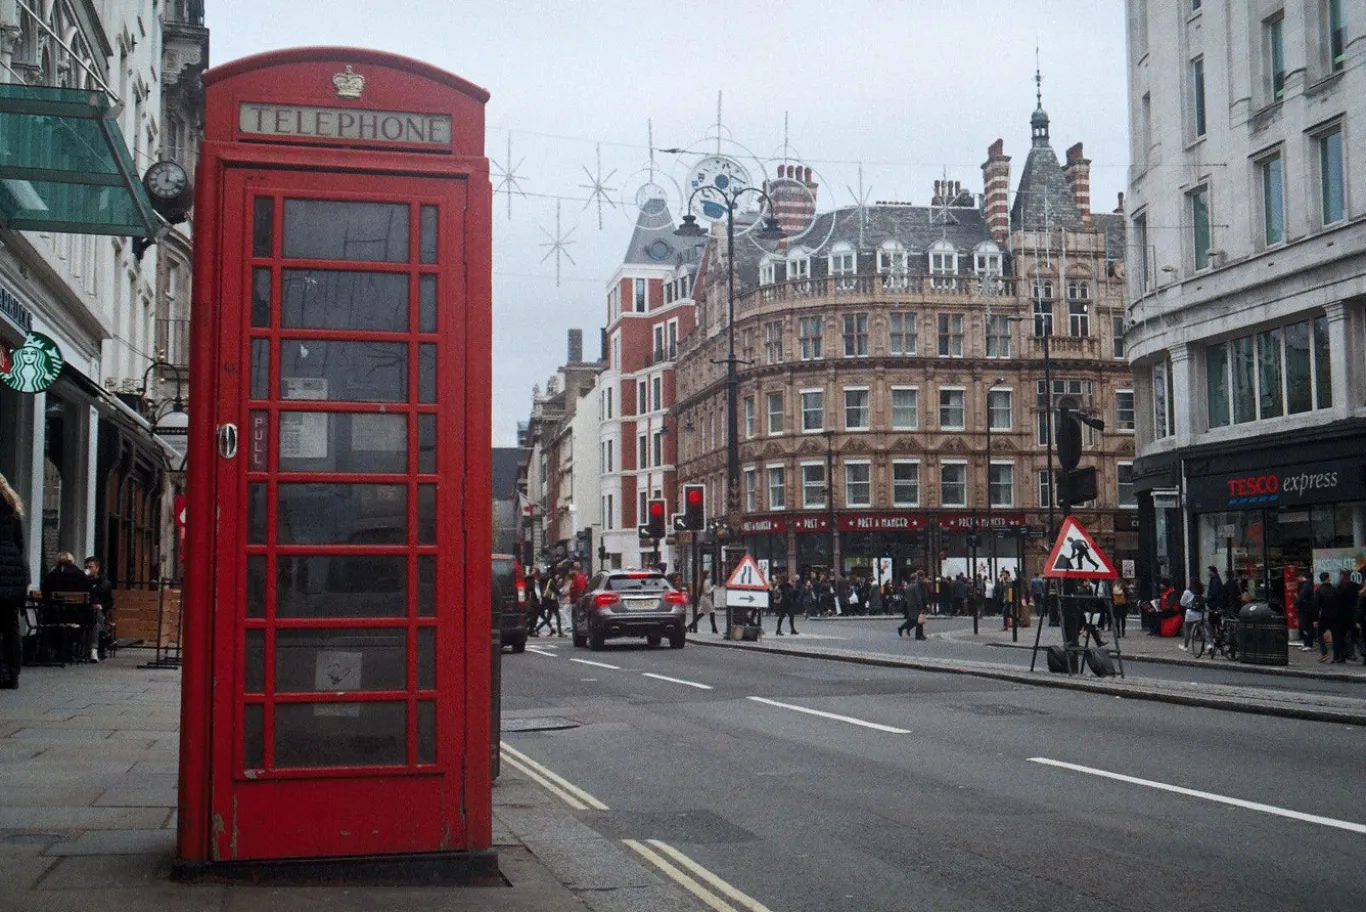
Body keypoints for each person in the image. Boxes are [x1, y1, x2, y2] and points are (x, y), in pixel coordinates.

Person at [41, 551, 97, 663]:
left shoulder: (51, 575)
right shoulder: (81, 576)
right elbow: (91, 596)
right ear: (72, 561)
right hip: (77, 616)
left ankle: (55, 649)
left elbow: (45, 594)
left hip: (54, 615)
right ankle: (75, 650)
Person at [0, 474, 29, 689]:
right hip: (13, 574)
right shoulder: (13, 511)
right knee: (11, 627)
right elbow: (21, 546)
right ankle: (12, 675)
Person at [84, 556, 114, 659]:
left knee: (96, 620)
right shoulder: (83, 582)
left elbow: (110, 602)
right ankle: (108, 637)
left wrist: (101, 606)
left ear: (97, 568)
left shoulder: (105, 583)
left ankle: (94, 650)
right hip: (86, 612)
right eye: (86, 567)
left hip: (100, 613)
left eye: (90, 567)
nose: (87, 570)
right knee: (95, 615)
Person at [1331, 568, 1359, 664]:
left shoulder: (1340, 587)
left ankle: (1341, 656)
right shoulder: (1356, 586)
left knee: (1340, 636)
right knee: (1353, 635)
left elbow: (1335, 601)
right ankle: (1352, 654)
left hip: (1341, 615)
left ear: (1342, 575)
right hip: (1353, 614)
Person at [1178, 578, 1205, 652]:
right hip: (1199, 613)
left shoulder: (1187, 592)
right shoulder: (1200, 591)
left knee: (1188, 630)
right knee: (1201, 629)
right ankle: (1204, 646)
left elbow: (1182, 603)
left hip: (1190, 613)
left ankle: (1185, 647)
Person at [1294, 570, 1315, 650]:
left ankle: (1308, 644)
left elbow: (1302, 596)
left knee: (1306, 626)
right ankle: (1306, 643)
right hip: (1307, 608)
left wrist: (1296, 602)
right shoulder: (1307, 584)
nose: (1297, 581)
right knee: (1305, 625)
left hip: (1306, 609)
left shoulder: (1306, 585)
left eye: (1297, 578)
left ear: (1301, 577)